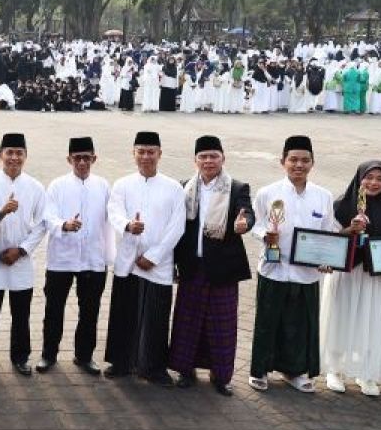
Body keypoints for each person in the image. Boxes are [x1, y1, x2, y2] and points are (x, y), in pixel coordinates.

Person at [248, 135, 338, 393]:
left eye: (305, 160)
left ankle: (295, 371)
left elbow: (327, 231)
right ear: (283, 161)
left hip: (306, 273)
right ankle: (260, 371)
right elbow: (255, 224)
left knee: (300, 325)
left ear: (313, 163)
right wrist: (265, 235)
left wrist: (326, 259)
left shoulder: (323, 196)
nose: (299, 165)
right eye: (293, 160)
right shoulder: (268, 193)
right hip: (274, 268)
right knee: (268, 322)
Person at [168, 136, 254, 396]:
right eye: (203, 156)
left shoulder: (237, 187)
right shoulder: (184, 187)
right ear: (195, 160)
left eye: (213, 156)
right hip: (192, 265)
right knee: (188, 321)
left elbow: (246, 212)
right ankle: (186, 370)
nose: (208, 161)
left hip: (223, 268)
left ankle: (221, 375)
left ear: (223, 158)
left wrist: (244, 224)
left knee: (222, 325)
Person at [104, 131, 186, 386]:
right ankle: (121, 362)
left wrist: (154, 256)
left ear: (160, 154)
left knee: (156, 317)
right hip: (128, 258)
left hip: (158, 263)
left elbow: (178, 226)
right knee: (124, 312)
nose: (146, 156)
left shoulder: (173, 187)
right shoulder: (122, 184)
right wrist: (128, 225)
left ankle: (153, 368)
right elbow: (114, 211)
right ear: (134, 153)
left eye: (151, 151)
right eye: (141, 151)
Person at [320, 160, 381, 396]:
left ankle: (367, 373)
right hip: (348, 273)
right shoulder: (342, 206)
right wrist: (350, 229)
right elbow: (328, 240)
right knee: (342, 318)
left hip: (379, 278)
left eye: (380, 178)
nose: (374, 183)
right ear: (359, 178)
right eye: (369, 177)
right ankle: (335, 370)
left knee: (373, 321)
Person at [0, 133, 47, 376]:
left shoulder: (35, 187)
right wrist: (1, 213)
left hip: (21, 260)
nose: (14, 158)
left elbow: (42, 223)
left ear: (26, 156)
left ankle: (20, 357)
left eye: (19, 153)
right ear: (0, 155)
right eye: (9, 152)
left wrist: (22, 250)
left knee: (21, 313)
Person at [40, 136, 112, 375]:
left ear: (94, 158)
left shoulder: (103, 185)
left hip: (93, 258)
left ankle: (84, 356)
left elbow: (113, 218)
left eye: (87, 157)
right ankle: (48, 355)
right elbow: (47, 217)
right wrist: (64, 225)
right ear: (69, 159)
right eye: (77, 158)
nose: (82, 162)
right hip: (62, 258)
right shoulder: (57, 185)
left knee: (90, 311)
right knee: (54, 309)